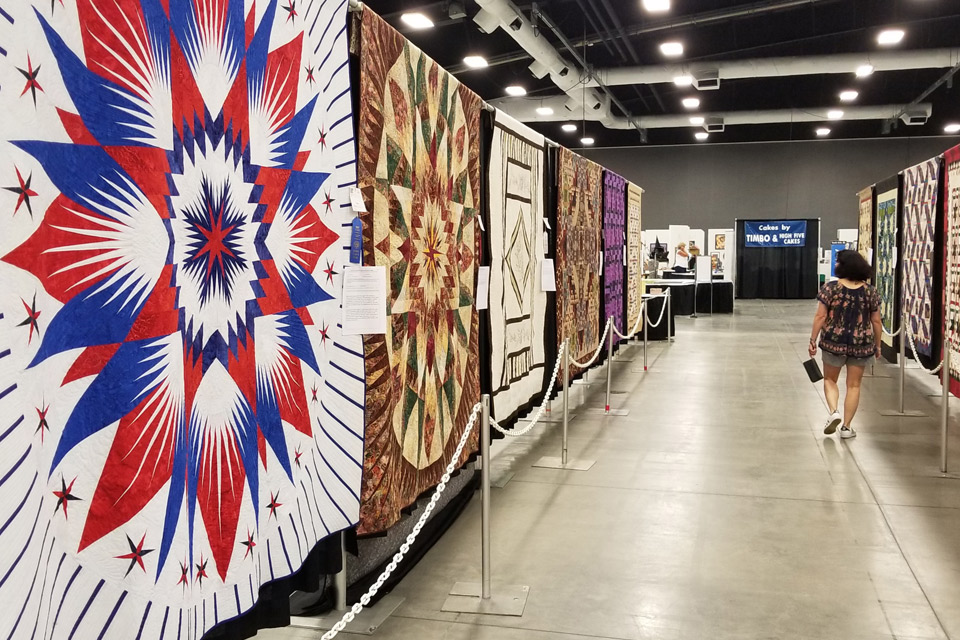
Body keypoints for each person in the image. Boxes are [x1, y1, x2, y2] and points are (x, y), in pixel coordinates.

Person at [808, 250, 882, 439]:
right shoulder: (870, 292)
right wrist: (878, 345)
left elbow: (821, 316)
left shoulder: (830, 288)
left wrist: (812, 339)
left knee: (829, 380)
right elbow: (876, 321)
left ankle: (834, 412)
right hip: (861, 344)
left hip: (833, 341)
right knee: (854, 385)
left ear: (843, 266)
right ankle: (847, 428)